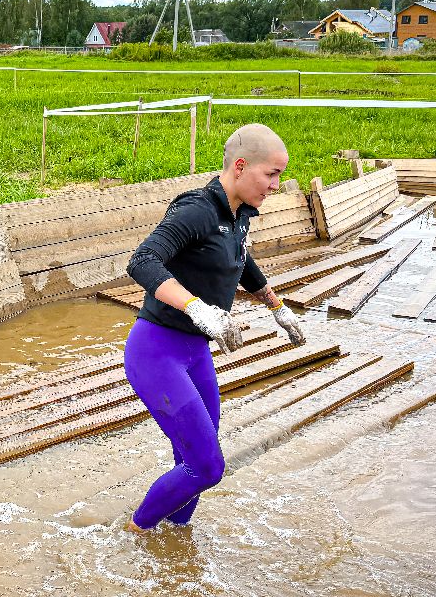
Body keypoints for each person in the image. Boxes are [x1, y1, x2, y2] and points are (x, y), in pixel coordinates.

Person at [124, 123, 307, 533]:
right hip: (157, 352)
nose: (276, 185)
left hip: (196, 354)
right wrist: (196, 307)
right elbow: (142, 261)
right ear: (240, 166)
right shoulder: (197, 209)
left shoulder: (240, 212)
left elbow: (241, 260)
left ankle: (174, 541)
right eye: (271, 174)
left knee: (191, 459)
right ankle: (134, 535)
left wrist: (278, 307)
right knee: (207, 466)